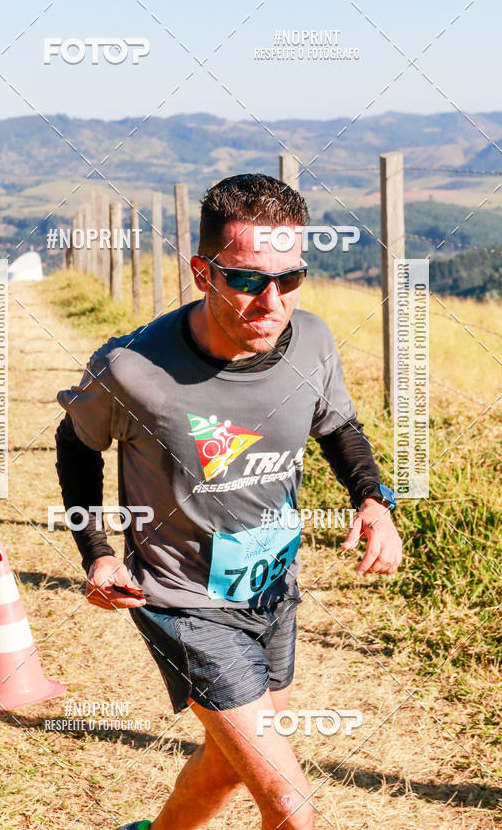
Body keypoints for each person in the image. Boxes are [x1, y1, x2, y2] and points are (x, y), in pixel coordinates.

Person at [55, 174, 403, 830]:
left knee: (228, 760)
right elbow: (76, 444)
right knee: (290, 805)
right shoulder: (131, 368)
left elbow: (338, 427)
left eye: (290, 279)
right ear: (202, 274)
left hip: (273, 591)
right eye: (247, 280)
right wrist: (97, 552)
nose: (272, 302)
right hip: (184, 601)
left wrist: (373, 501)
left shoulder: (313, 341)